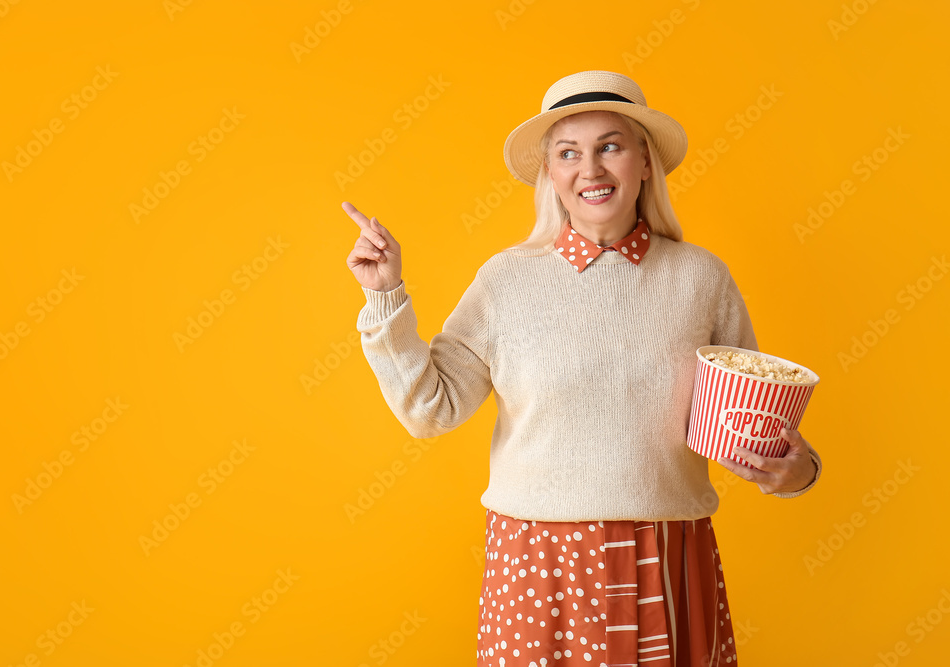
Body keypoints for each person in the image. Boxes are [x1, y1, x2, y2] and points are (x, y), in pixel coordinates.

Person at [343, 70, 822, 666]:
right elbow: (429, 409)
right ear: (551, 173)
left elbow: (752, 431)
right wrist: (385, 297)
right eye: (568, 153)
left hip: (668, 551)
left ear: (645, 162)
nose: (590, 170)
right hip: (536, 561)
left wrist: (798, 469)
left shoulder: (701, 279)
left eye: (610, 147)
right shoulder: (506, 280)